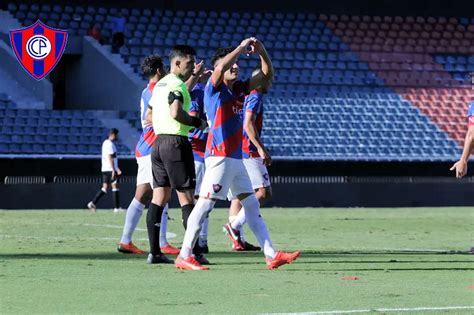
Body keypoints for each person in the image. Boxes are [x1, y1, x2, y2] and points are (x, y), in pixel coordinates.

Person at [175, 38, 300, 270]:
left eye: (237, 64)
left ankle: (271, 254)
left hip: (236, 159)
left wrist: (261, 50)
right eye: (231, 64)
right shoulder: (213, 89)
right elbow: (221, 68)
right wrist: (241, 48)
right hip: (220, 156)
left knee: (251, 206)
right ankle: (184, 254)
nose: (235, 67)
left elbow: (266, 74)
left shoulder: (240, 90)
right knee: (203, 206)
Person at [146, 45, 208, 264]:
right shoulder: (177, 84)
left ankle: (154, 252)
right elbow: (176, 112)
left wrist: (197, 76)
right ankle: (193, 252)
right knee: (187, 198)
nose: (192, 67)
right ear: (177, 63)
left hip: (158, 144)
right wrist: (198, 123)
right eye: (190, 63)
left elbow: (149, 115)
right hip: (176, 143)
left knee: (159, 198)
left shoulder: (161, 84)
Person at [117, 55, 180, 255]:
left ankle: (127, 241)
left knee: (147, 194)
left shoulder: (147, 90)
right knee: (161, 191)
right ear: (160, 71)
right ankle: (160, 243)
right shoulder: (156, 91)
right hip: (151, 147)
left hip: (147, 147)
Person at [224, 66, 273, 252]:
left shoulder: (246, 95)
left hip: (239, 149)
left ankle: (238, 241)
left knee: (237, 196)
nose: (271, 83)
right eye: (268, 80)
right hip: (249, 150)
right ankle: (234, 226)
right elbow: (248, 123)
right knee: (263, 192)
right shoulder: (255, 96)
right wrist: (261, 148)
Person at [188, 69, 212, 253]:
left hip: (198, 152)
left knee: (198, 199)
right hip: (207, 150)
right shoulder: (207, 90)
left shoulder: (197, 91)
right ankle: (201, 240)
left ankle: (199, 241)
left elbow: (193, 120)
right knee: (204, 198)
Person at [87, 128, 122, 212]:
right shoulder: (110, 144)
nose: (117, 136)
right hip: (110, 169)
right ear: (113, 134)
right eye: (117, 135)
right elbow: (110, 157)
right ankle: (117, 208)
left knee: (105, 188)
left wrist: (117, 168)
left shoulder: (105, 143)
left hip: (105, 168)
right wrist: (114, 170)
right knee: (115, 186)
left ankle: (93, 203)